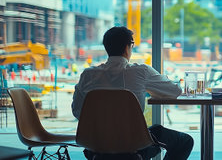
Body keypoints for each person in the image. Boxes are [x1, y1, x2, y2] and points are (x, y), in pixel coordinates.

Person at [72, 26, 193, 160]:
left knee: (156, 129)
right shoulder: (141, 71)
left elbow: (77, 111)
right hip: (134, 144)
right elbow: (175, 91)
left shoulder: (88, 75)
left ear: (107, 47)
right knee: (185, 141)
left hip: (97, 145)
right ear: (127, 47)